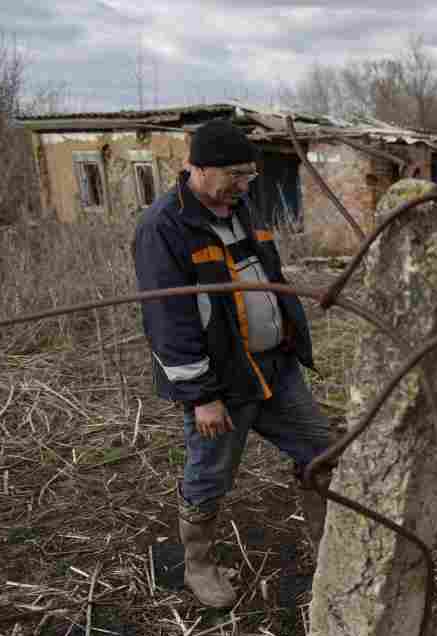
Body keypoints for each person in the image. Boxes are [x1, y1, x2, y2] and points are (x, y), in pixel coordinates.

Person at [133, 119, 333, 609]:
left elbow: (269, 275)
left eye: (249, 175)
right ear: (197, 169)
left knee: (321, 451)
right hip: (222, 382)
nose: (244, 186)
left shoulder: (243, 208)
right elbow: (169, 321)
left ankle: (331, 549)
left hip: (276, 368)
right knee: (210, 475)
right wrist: (202, 397)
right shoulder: (163, 228)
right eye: (235, 175)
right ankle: (199, 566)